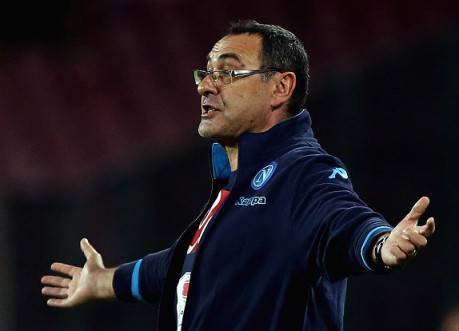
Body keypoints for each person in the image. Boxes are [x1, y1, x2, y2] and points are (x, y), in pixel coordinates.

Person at [41, 20, 436, 331]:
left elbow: (342, 221)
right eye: (206, 73)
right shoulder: (234, 186)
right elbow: (186, 264)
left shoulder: (301, 170)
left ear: (280, 87)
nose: (206, 86)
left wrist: (379, 245)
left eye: (228, 73)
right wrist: (103, 281)